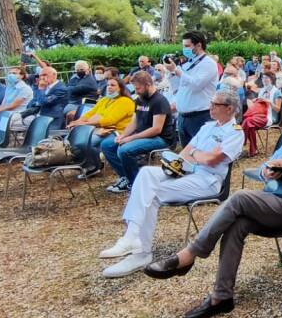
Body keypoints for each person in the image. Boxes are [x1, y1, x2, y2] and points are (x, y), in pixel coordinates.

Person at [142, 99, 282, 318]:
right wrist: (268, 171)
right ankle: (221, 297)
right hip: (274, 199)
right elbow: (265, 165)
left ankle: (189, 254)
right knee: (237, 224)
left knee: (240, 197)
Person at [98, 90, 245, 278]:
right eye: (211, 103)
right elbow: (186, 152)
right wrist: (185, 161)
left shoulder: (235, 132)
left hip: (207, 181)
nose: (210, 107)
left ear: (229, 108)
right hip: (187, 172)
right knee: (146, 174)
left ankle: (141, 252)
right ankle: (131, 235)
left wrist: (195, 155)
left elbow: (212, 160)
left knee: (153, 193)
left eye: (215, 104)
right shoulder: (207, 127)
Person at [101, 72, 175, 192]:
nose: (136, 91)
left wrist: (130, 138)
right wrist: (123, 135)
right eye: (135, 88)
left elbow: (156, 129)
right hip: (143, 136)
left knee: (124, 150)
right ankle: (125, 176)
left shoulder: (159, 101)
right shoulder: (140, 100)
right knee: (107, 145)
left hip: (160, 139)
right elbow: (134, 122)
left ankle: (136, 183)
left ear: (148, 85)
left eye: (138, 88)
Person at [69, 76, 137, 177]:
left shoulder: (125, 101)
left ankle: (94, 166)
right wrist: (77, 121)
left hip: (116, 131)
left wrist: (84, 123)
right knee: (72, 140)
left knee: (86, 142)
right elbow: (91, 113)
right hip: (100, 129)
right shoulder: (105, 99)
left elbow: (109, 120)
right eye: (108, 85)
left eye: (113, 85)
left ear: (121, 88)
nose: (109, 87)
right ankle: (88, 164)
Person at [167, 31, 219, 147]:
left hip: (200, 116)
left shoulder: (208, 64)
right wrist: (172, 72)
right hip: (183, 117)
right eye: (183, 46)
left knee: (200, 152)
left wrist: (178, 71)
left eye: (187, 46)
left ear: (199, 45)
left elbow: (196, 85)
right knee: (187, 154)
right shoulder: (187, 64)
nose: (184, 49)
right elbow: (178, 88)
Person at [240, 71, 282, 157]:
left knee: (248, 121)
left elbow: (278, 109)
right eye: (263, 78)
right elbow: (259, 105)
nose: (264, 80)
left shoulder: (277, 92)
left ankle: (241, 144)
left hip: (269, 117)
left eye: (266, 78)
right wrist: (256, 100)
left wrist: (269, 102)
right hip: (258, 114)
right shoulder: (262, 90)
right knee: (250, 124)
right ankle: (253, 150)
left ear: (272, 79)